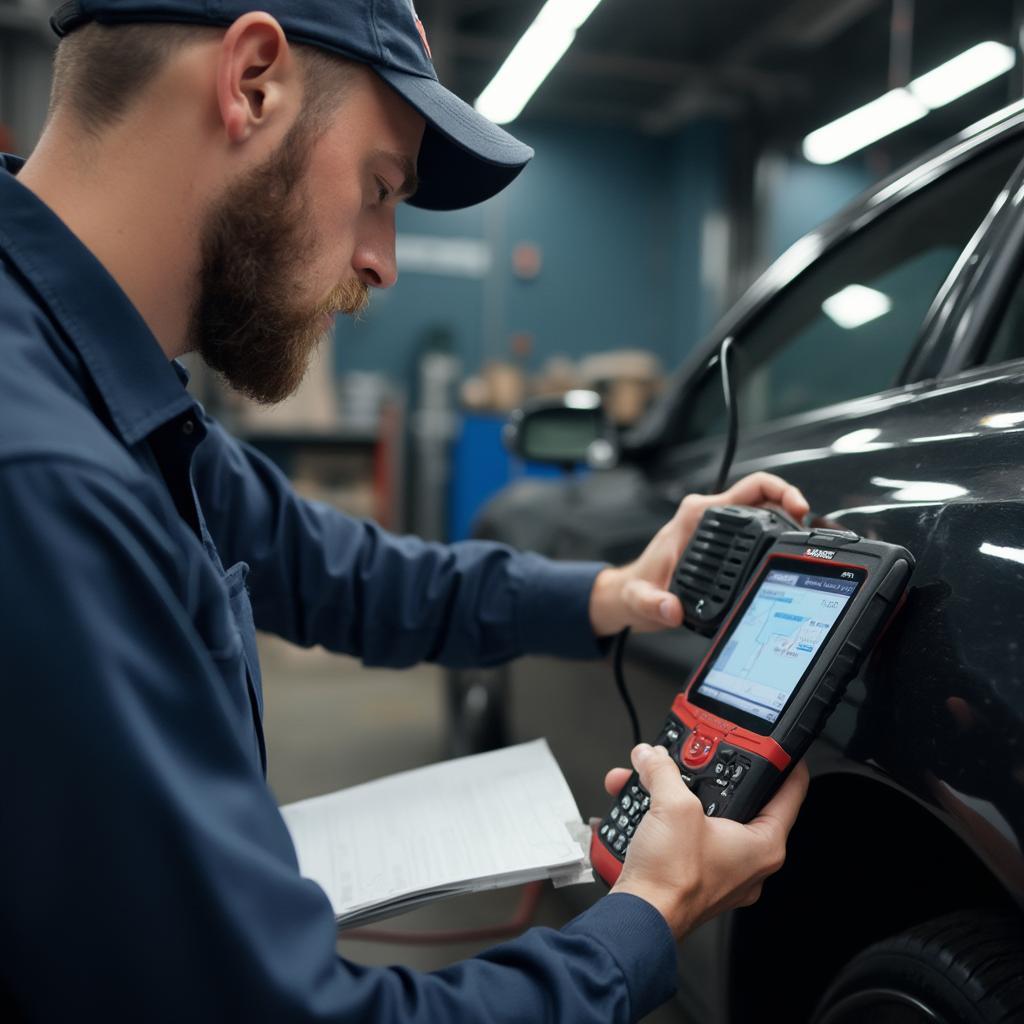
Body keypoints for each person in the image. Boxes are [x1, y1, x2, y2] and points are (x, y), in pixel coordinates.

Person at [0, 1, 811, 1020]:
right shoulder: (44, 477)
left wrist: (612, 591)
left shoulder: (92, 390)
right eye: (380, 187)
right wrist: (644, 916)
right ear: (252, 81)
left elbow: (335, 568)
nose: (383, 257)